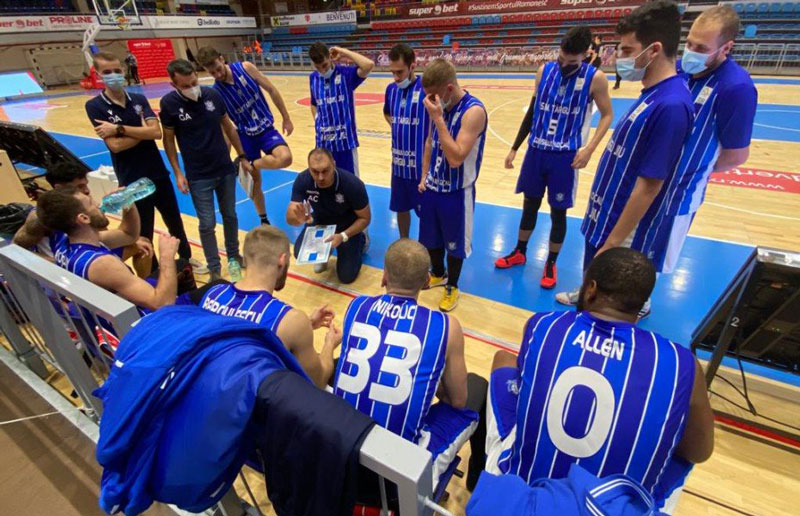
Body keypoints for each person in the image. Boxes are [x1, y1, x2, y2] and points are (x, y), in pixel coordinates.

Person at [483, 248, 714, 511]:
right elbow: (700, 452)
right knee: (679, 454)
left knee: (504, 360)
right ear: (642, 304)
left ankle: (490, 470)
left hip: (527, 496)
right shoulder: (681, 361)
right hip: (610, 508)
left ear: (590, 289)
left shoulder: (543, 325)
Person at [557, 0, 694, 318]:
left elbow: (650, 186)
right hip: (604, 214)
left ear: (654, 50)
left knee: (607, 306)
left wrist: (613, 243)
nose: (620, 57)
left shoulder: (672, 105)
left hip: (621, 227)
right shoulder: (652, 93)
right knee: (593, 282)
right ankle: (586, 292)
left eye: (628, 50)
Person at [332, 238, 479, 487]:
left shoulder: (356, 305)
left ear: (384, 276)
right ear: (426, 281)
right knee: (476, 390)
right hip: (398, 472)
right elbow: (457, 401)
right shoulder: (446, 326)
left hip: (341, 448)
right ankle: (475, 477)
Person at [636, 5, 757, 275]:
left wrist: (691, 168)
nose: (691, 51)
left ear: (726, 48)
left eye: (701, 48)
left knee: (648, 264)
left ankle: (636, 298)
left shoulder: (737, 88)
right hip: (643, 180)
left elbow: (736, 155)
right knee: (623, 245)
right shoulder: (679, 70)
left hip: (677, 195)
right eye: (689, 43)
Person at [496, 27, 613, 289]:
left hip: (565, 156)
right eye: (561, 58)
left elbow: (607, 115)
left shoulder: (595, 78)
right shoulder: (544, 71)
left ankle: (551, 262)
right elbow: (533, 112)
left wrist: (589, 149)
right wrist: (515, 147)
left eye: (571, 62)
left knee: (558, 212)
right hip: (537, 151)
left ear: (586, 54)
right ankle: (520, 251)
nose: (564, 65)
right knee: (529, 205)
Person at [181, 226, 342, 388]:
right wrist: (329, 343)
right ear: (282, 260)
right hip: (247, 399)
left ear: (245, 260)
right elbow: (316, 382)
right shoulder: (291, 321)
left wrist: (306, 324)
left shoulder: (213, 291)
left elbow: (239, 324)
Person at [84, 52, 195, 273]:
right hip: (131, 180)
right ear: (98, 74)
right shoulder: (95, 106)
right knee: (143, 231)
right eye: (107, 72)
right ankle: (153, 272)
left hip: (157, 172)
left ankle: (186, 260)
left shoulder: (138, 100)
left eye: (117, 70)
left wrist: (119, 129)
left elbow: (156, 133)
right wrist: (142, 131)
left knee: (174, 221)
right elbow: (116, 146)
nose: (114, 75)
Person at [160, 58, 247, 282]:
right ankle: (214, 268)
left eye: (194, 82)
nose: (192, 88)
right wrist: (178, 172)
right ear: (173, 85)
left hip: (224, 169)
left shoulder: (212, 95)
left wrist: (242, 155)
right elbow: (168, 141)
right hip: (198, 175)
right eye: (185, 86)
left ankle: (234, 256)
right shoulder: (169, 104)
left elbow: (228, 126)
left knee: (230, 216)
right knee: (207, 224)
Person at [37, 187, 180, 315]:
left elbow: (129, 235)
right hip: (139, 323)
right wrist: (166, 257)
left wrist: (127, 204)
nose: (99, 205)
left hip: (107, 314)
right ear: (84, 218)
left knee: (181, 265)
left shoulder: (67, 241)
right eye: (91, 203)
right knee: (188, 284)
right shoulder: (102, 264)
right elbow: (162, 304)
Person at [418, 58, 487, 312]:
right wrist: (424, 176)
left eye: (432, 95)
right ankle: (438, 273)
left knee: (455, 244)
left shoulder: (473, 112)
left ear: (448, 88)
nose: (429, 100)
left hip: (457, 191)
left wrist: (438, 119)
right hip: (433, 187)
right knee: (431, 239)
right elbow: (429, 142)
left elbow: (456, 158)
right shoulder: (439, 105)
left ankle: (453, 285)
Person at [195, 46, 294, 226]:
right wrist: (226, 156)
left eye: (218, 69)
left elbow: (271, 89)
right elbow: (226, 128)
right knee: (254, 182)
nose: (217, 74)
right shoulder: (216, 93)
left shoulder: (246, 67)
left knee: (285, 158)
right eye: (212, 72)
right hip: (245, 136)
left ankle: (251, 164)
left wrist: (286, 118)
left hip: (265, 128)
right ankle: (264, 220)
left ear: (222, 58)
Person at [13, 162, 153, 277]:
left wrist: (127, 203)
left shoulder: (81, 204)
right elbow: (16, 247)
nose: (87, 190)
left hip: (81, 250)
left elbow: (120, 234)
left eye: (86, 184)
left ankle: (143, 282)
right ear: (59, 188)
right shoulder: (40, 216)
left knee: (142, 243)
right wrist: (55, 264)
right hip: (68, 266)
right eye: (80, 186)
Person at [286, 148, 370, 284]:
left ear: (334, 165)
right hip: (321, 222)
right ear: (309, 168)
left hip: (347, 226)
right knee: (299, 252)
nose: (320, 177)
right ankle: (325, 252)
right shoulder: (303, 180)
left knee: (346, 276)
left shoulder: (352, 184)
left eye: (325, 171)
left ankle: (361, 241)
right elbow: (290, 217)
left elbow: (365, 218)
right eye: (315, 171)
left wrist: (342, 236)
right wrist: (298, 220)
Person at [383, 43, 429, 239]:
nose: (396, 77)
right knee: (401, 208)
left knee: (426, 213)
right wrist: (399, 125)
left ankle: (427, 248)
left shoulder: (427, 88)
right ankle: (404, 242)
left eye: (400, 72)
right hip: (399, 166)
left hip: (421, 168)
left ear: (412, 66)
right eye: (392, 72)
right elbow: (387, 112)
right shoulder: (391, 90)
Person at [308, 42, 374, 176]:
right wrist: (317, 120)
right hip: (323, 144)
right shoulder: (313, 78)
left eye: (324, 65)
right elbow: (314, 104)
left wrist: (342, 51)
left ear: (330, 57)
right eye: (318, 67)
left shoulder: (345, 74)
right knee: (324, 183)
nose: (322, 70)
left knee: (351, 183)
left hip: (345, 144)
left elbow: (368, 65)